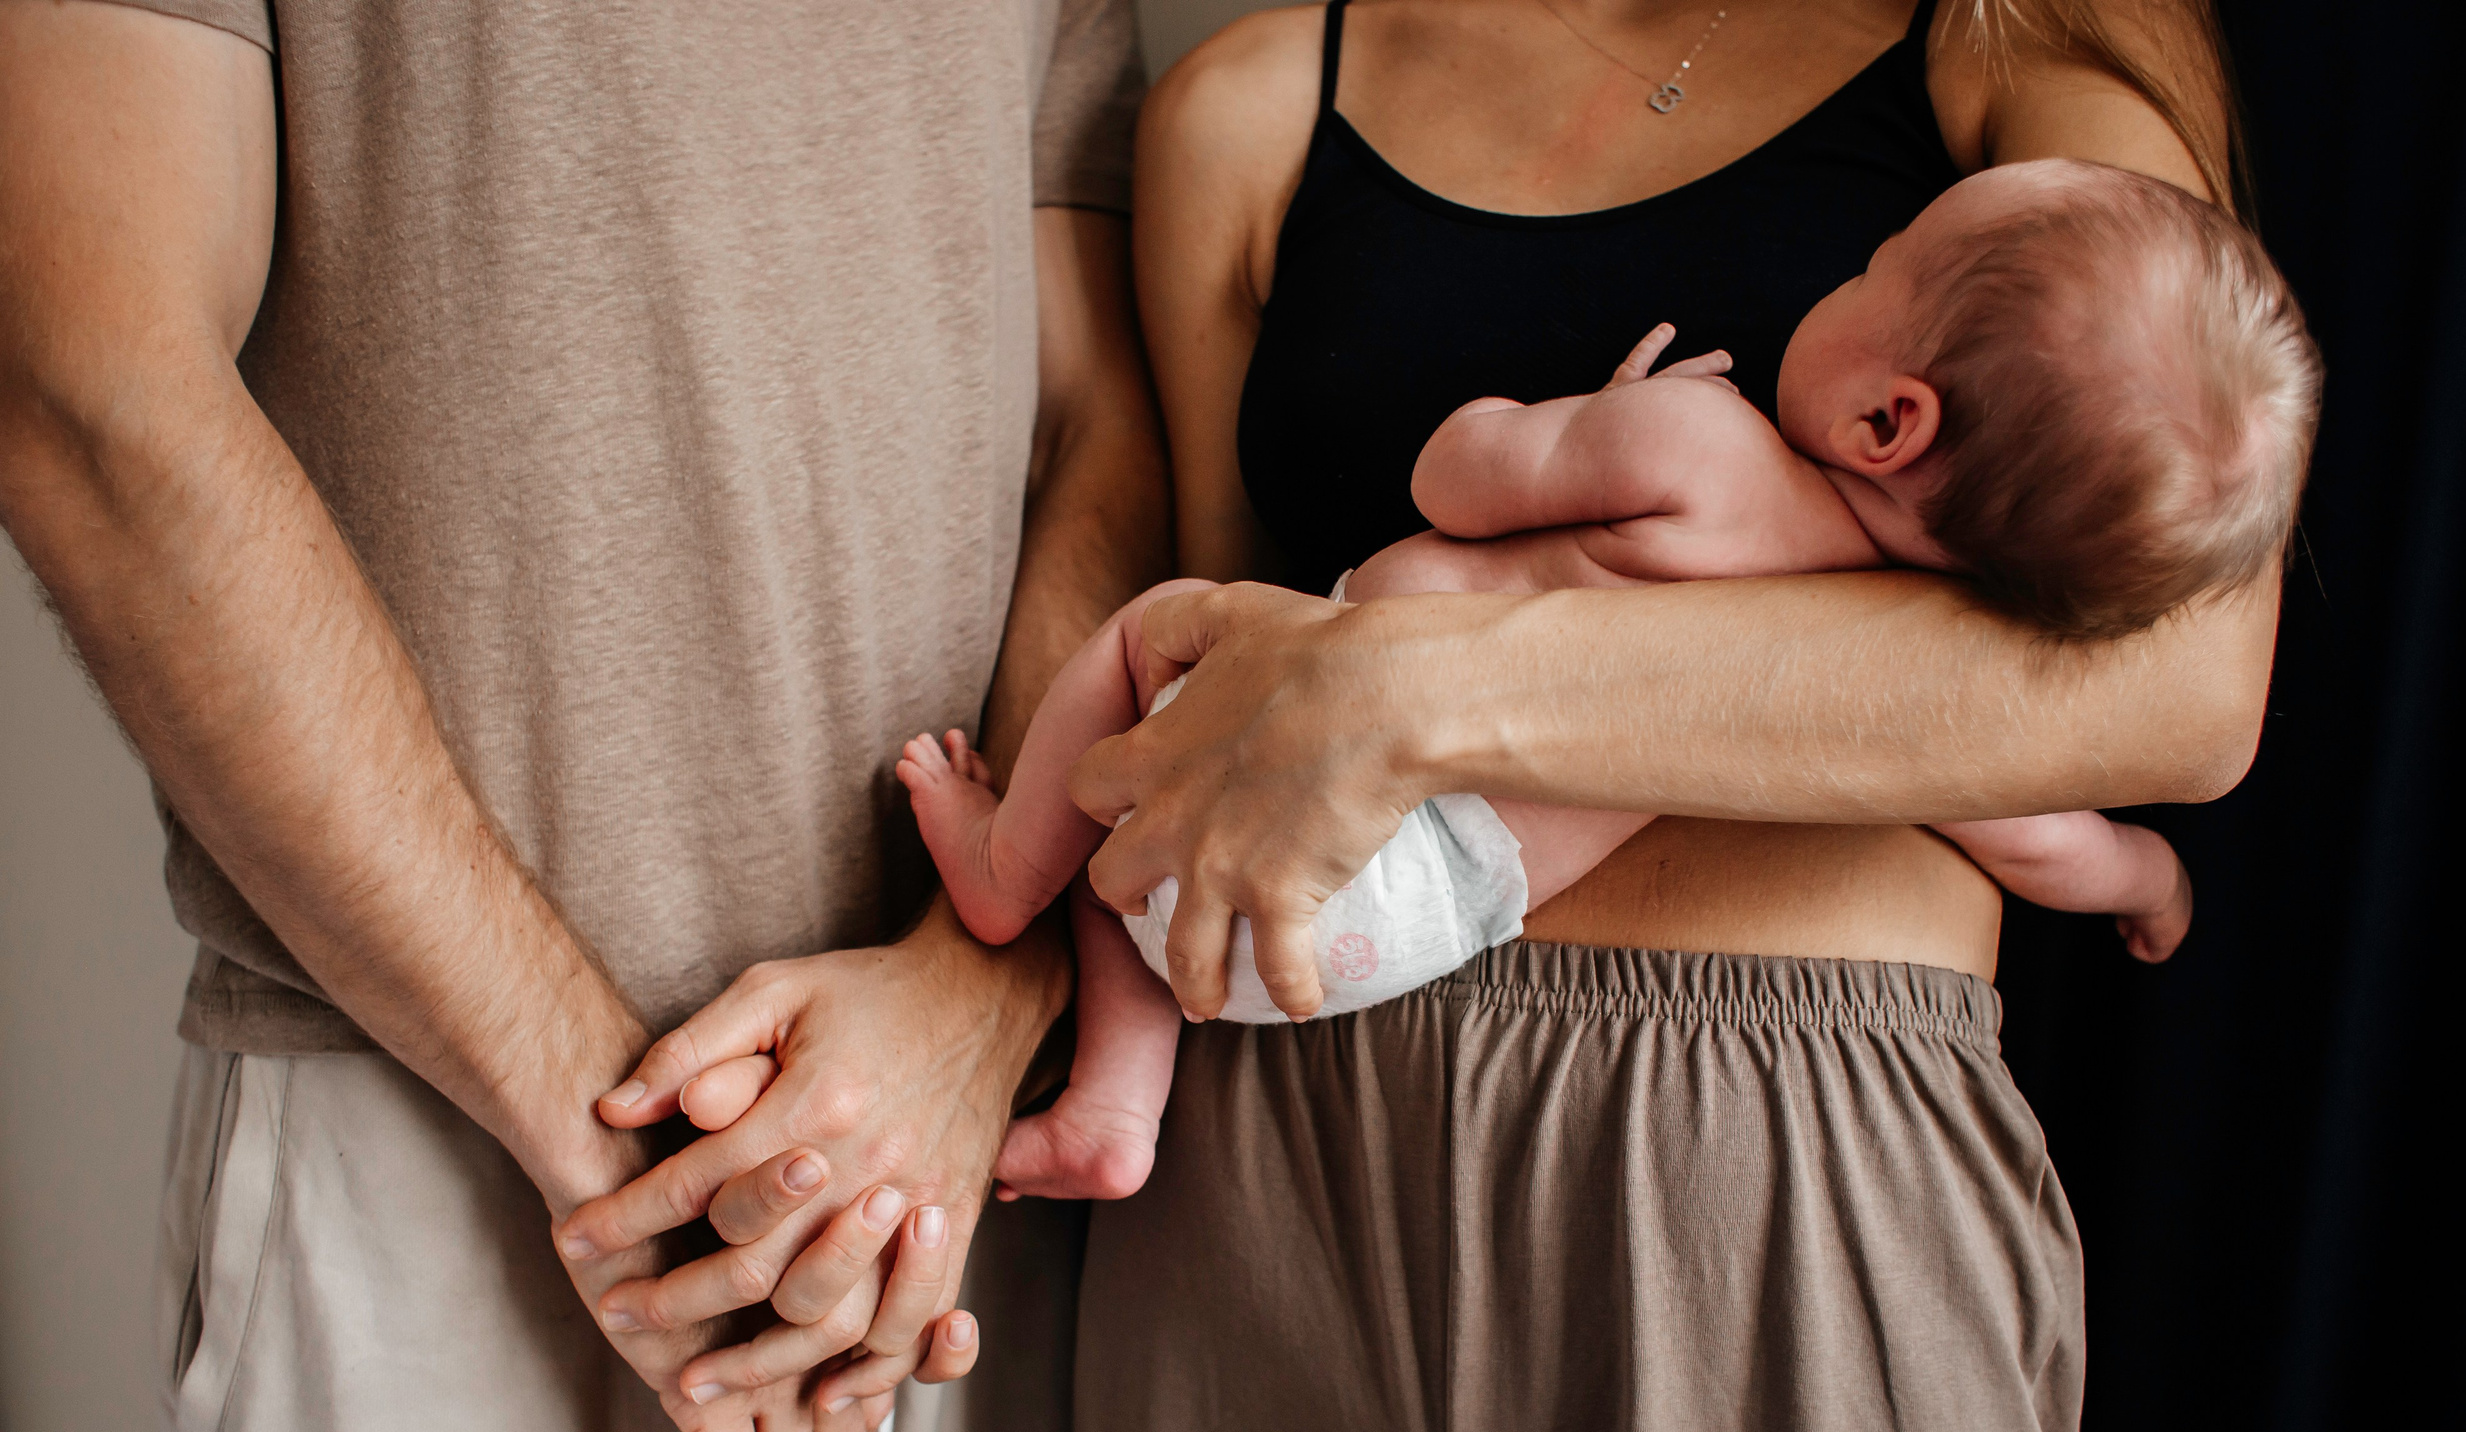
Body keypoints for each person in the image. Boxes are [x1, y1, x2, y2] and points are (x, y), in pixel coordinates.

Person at [1051, 0, 2282, 1432]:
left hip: (1759, 1154)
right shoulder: (1250, 104)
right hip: (1258, 1148)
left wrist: (1423, 692)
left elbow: (2184, 686)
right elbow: (1198, 681)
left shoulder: (2017, 58)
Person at [0, 1, 1160, 1432]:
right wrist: (645, 1183)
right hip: (437, 1125)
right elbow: (89, 374)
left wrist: (975, 996)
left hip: (942, 1184)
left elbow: (1098, 412)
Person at [881, 155, 2311, 1197]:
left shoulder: (1708, 455)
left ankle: (1007, 878)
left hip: (1309, 808)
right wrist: (2150, 883)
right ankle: (1114, 1118)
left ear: (1890, 419)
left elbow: (1454, 471)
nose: (1851, 272)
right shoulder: (1910, 667)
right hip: (1433, 924)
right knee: (1162, 865)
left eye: (1880, 266)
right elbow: (2045, 841)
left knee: (1155, 638)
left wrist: (1609, 419)